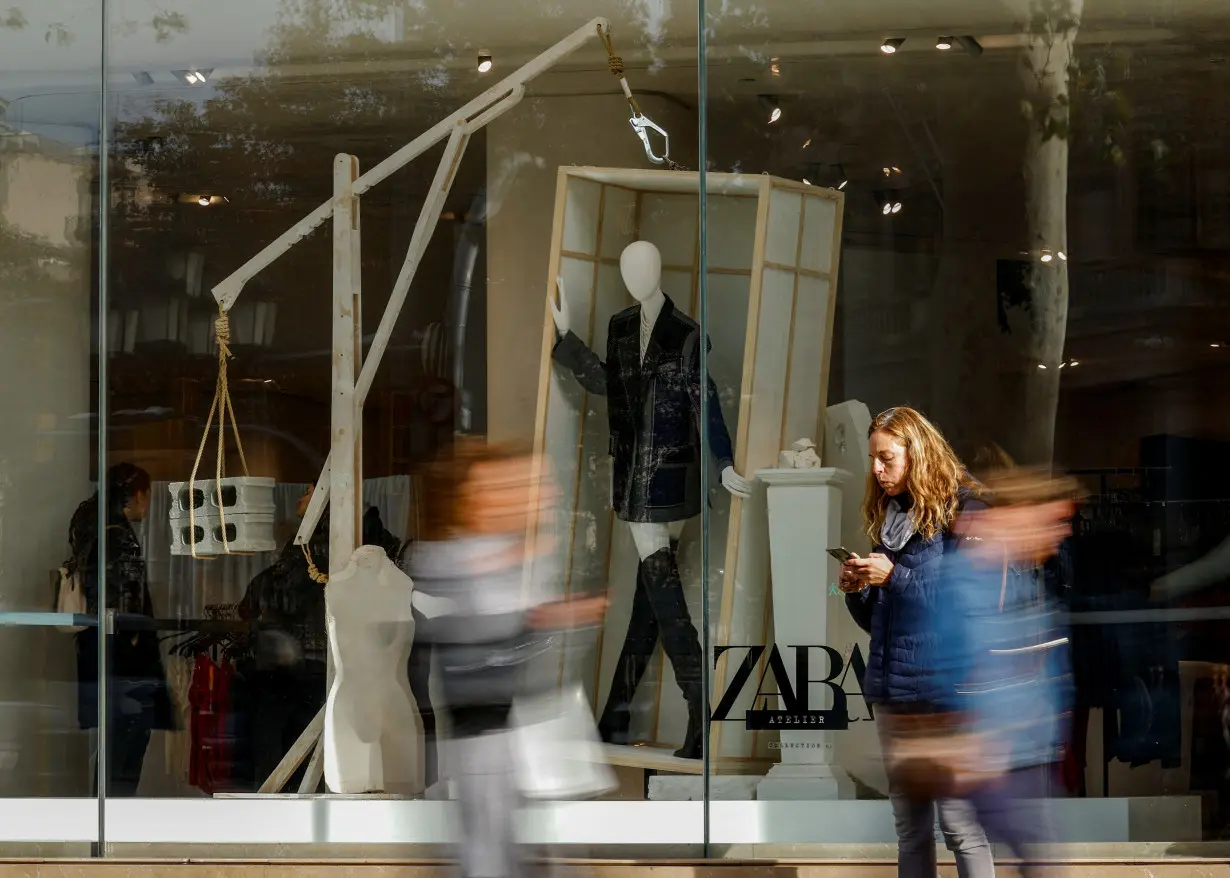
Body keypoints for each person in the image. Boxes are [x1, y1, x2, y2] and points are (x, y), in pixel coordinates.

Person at [405, 439, 606, 878]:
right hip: (486, 740)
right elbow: (463, 644)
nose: (541, 495)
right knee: (490, 857)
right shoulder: (444, 562)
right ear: (477, 494)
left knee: (552, 859)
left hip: (543, 737)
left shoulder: (528, 563)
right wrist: (537, 619)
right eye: (521, 485)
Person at [838, 406, 993, 878]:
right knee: (910, 827)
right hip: (895, 690)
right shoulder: (893, 517)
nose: (876, 470)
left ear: (917, 451)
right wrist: (859, 588)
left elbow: (966, 607)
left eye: (886, 457)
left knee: (959, 823)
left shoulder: (966, 510)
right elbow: (882, 620)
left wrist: (894, 578)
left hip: (949, 691)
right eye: (872, 459)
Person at [939, 467, 1080, 877]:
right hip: (996, 756)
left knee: (1037, 860)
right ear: (1022, 513)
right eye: (1056, 520)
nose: (1063, 533)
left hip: (1025, 755)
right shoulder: (971, 579)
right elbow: (958, 659)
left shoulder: (1021, 579)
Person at [70, 462, 175, 797]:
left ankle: (105, 826)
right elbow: (127, 601)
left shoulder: (92, 528)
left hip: (101, 658)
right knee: (125, 758)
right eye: (148, 494)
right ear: (137, 495)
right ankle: (113, 831)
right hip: (127, 667)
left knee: (112, 755)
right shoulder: (119, 537)